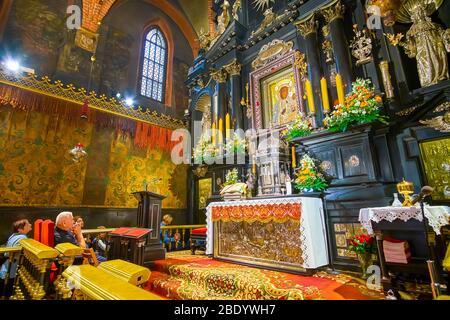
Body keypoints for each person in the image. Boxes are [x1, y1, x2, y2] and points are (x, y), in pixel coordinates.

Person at [0, 219, 32, 298]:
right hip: (11, 271)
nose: (30, 225)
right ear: (20, 229)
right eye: (27, 224)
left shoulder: (14, 235)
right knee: (8, 292)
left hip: (5, 268)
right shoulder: (22, 238)